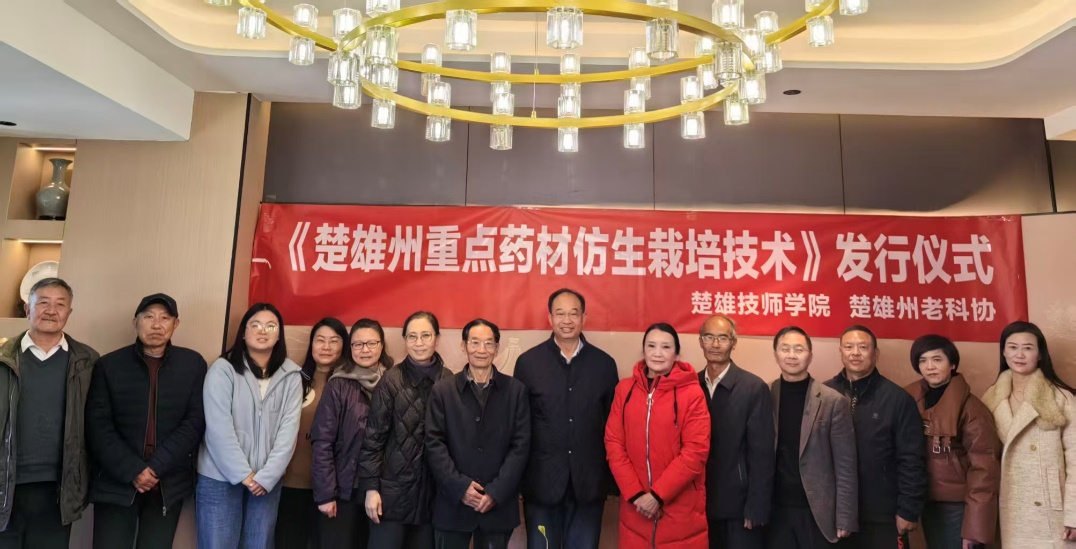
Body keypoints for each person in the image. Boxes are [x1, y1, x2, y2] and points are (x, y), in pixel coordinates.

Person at [87, 293, 207, 549]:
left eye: (165, 318)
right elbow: (98, 427)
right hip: (116, 482)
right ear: (136, 322)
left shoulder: (192, 364)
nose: (156, 325)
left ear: (176, 324)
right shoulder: (109, 365)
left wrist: (156, 468)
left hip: (167, 484)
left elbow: (194, 422)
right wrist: (133, 470)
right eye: (149, 317)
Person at [514, 288, 620, 549]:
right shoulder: (528, 363)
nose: (567, 320)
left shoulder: (605, 364)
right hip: (541, 484)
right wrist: (519, 480)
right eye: (560, 313)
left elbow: (613, 427)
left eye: (574, 313)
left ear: (584, 318)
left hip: (589, 484)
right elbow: (520, 427)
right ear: (550, 318)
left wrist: (610, 481)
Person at [0, 278, 98, 549]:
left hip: (59, 487)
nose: (51, 310)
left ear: (69, 312)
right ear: (27, 308)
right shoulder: (3, 357)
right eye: (43, 302)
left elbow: (97, 425)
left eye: (60, 304)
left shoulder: (88, 362)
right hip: (6, 482)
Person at [196, 303, 303, 548]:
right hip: (219, 477)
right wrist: (244, 475)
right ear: (243, 333)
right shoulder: (223, 370)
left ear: (279, 334)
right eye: (255, 325)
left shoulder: (291, 375)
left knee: (259, 544)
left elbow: (288, 431)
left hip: (266, 481)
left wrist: (267, 476)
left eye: (271, 326)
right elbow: (218, 429)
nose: (262, 330)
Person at [425, 319, 531, 549]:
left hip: (498, 508)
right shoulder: (443, 391)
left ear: (497, 348)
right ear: (464, 346)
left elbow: (521, 447)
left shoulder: (515, 391)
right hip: (452, 505)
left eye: (488, 343)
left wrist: (496, 491)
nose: (481, 350)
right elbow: (434, 444)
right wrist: (460, 487)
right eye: (475, 342)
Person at [605, 323, 710, 548]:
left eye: (666, 347)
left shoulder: (693, 393)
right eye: (651, 346)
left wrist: (657, 496)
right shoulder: (624, 390)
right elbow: (614, 443)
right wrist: (637, 495)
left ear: (676, 354)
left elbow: (695, 451)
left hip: (680, 512)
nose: (658, 353)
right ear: (643, 350)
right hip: (635, 509)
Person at [824, 325, 926, 549]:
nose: (855, 353)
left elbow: (912, 459)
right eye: (849, 347)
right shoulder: (824, 395)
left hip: (881, 514)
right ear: (840, 352)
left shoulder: (898, 399)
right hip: (834, 512)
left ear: (876, 354)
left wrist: (908, 510)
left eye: (863, 347)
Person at [357, 311, 452, 549]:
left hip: (432, 498)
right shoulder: (390, 381)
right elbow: (373, 440)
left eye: (425, 335)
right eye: (412, 336)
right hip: (390, 497)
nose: (419, 343)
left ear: (437, 338)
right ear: (405, 340)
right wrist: (371, 489)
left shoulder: (449, 381)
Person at [981, 321, 1076, 547]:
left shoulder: (1061, 397)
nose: (1020, 354)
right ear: (1004, 352)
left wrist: (1074, 514)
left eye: (1028, 348)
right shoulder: (990, 399)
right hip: (1009, 505)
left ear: (1040, 354)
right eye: (1013, 347)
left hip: (1051, 509)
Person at [902, 335, 1000, 549]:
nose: (930, 366)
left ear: (952, 364)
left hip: (957, 505)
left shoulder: (972, 408)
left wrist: (974, 528)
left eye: (937, 359)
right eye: (923, 360)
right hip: (920, 499)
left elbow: (985, 469)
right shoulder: (907, 399)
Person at [767, 326, 857, 549]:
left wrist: (845, 517)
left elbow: (845, 465)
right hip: (775, 510)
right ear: (775, 354)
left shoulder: (832, 401)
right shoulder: (764, 394)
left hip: (817, 512)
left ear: (810, 355)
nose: (791, 355)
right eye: (785, 349)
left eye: (799, 349)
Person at [311, 318, 393, 549]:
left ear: (381, 346)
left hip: (382, 490)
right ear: (350, 347)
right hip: (343, 490)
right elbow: (322, 441)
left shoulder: (394, 382)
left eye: (371, 343)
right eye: (358, 344)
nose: (365, 350)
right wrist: (326, 494)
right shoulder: (338, 384)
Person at [696, 315, 774, 549]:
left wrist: (756, 507)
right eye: (709, 337)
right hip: (698, 504)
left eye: (723, 338)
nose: (715, 344)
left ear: (734, 342)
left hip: (739, 508)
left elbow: (762, 455)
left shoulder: (753, 388)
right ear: (700, 341)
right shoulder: (691, 385)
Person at [276, 317, 349, 549]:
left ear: (344, 346)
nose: (326, 347)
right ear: (311, 344)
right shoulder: (294, 380)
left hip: (331, 490)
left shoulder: (347, 385)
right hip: (290, 483)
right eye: (320, 340)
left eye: (334, 341)